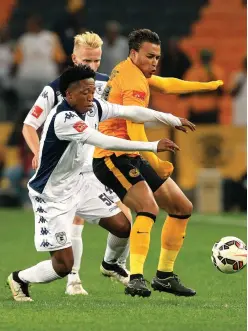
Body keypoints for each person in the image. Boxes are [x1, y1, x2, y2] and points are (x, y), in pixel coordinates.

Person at [7, 64, 190, 302]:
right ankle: (20, 278)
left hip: (80, 185)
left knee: (124, 226)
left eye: (93, 90)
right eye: (84, 92)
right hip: (52, 195)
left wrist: (170, 118)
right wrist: (153, 146)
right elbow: (104, 140)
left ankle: (111, 264)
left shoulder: (93, 107)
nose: (91, 97)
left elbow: (130, 112)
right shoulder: (64, 119)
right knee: (63, 265)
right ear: (69, 95)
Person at [93, 29, 223, 297]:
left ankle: (164, 276)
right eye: (150, 56)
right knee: (148, 207)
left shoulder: (131, 70)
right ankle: (136, 277)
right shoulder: (132, 82)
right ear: (133, 53)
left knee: (181, 207)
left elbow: (166, 83)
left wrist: (204, 86)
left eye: (157, 57)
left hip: (129, 152)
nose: (155, 62)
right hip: (111, 156)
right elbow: (134, 127)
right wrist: (155, 160)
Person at [22, 32, 132, 295]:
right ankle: (73, 279)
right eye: (86, 61)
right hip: (64, 170)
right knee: (76, 222)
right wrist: (37, 152)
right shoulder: (55, 88)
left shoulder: (105, 85)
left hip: (92, 163)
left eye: (96, 61)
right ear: (73, 58)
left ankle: (114, 265)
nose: (92, 67)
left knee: (125, 218)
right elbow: (29, 125)